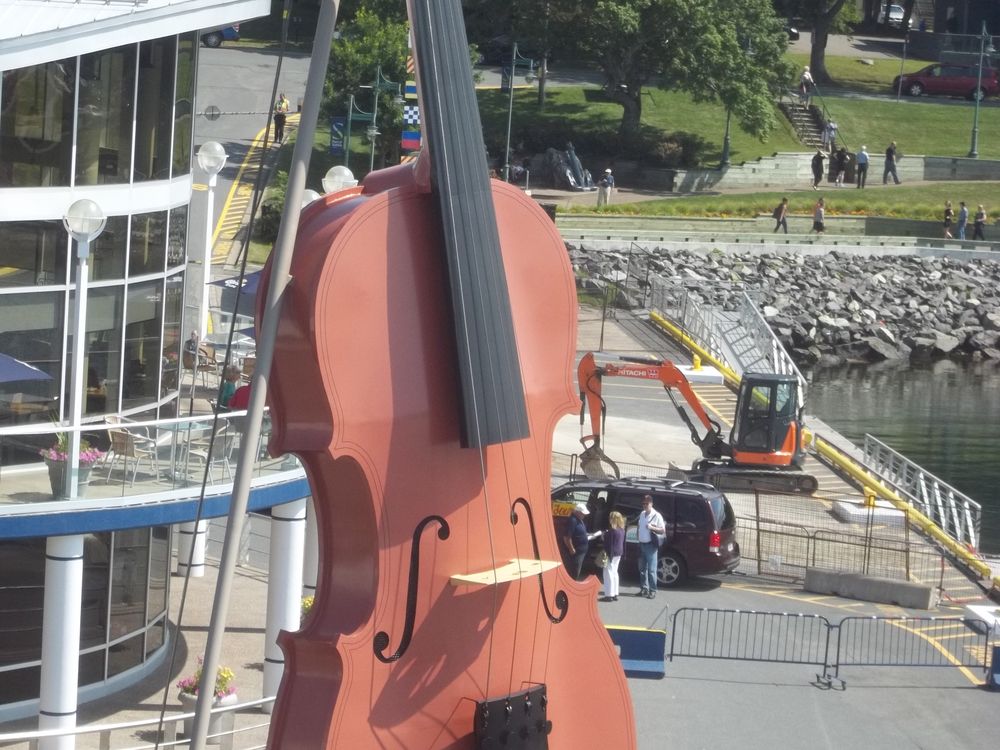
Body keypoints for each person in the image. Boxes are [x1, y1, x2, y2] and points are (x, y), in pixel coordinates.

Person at [637, 494, 665, 599]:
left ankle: (653, 590)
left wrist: (652, 527)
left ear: (651, 504)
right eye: (643, 503)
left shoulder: (657, 515)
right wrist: (638, 536)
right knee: (642, 569)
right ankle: (644, 588)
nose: (645, 505)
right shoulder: (642, 513)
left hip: (651, 546)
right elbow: (639, 526)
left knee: (652, 570)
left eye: (647, 503)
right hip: (642, 544)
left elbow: (662, 530)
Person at [561, 502, 591, 581]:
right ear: (577, 512)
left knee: (577, 568)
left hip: (582, 549)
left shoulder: (579, 519)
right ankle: (572, 582)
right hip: (576, 550)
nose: (584, 515)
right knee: (574, 569)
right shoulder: (572, 520)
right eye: (582, 513)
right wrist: (571, 548)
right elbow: (567, 537)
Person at [600, 511, 626, 602]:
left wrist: (603, 536)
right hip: (619, 553)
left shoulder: (612, 531)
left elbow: (607, 543)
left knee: (608, 573)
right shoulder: (622, 530)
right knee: (615, 573)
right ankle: (615, 593)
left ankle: (609, 595)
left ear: (613, 519)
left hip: (611, 554)